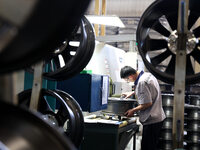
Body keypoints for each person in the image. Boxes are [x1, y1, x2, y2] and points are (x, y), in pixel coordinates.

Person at [120, 66, 166, 150]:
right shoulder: (147, 75)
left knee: (147, 147)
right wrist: (133, 92)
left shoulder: (142, 82)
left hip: (152, 120)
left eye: (127, 80)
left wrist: (133, 110)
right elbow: (149, 90)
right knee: (152, 145)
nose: (128, 81)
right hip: (158, 117)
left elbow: (147, 103)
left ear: (130, 76)